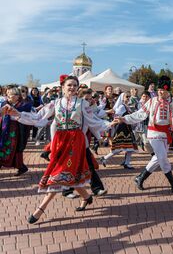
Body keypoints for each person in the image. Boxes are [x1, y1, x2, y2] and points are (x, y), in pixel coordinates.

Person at [4, 75, 112, 224]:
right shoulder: (55, 103)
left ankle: (40, 208)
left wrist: (109, 124)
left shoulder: (82, 104)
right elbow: (38, 118)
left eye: (75, 85)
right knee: (69, 175)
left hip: (75, 142)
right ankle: (87, 198)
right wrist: (16, 114)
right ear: (63, 87)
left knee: (60, 174)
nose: (72, 88)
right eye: (69, 85)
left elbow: (94, 121)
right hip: (60, 142)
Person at [115, 76, 173, 193]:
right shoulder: (152, 101)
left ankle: (140, 177)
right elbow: (140, 114)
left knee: (158, 158)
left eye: (163, 90)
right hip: (154, 132)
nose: (160, 92)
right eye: (159, 89)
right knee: (163, 158)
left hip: (166, 133)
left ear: (167, 90)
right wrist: (124, 119)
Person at [100, 93, 138, 169]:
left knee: (130, 147)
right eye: (127, 96)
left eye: (129, 97)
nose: (128, 98)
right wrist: (120, 120)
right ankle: (105, 158)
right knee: (120, 148)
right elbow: (116, 116)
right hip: (122, 129)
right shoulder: (121, 107)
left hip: (127, 128)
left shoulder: (127, 107)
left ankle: (126, 163)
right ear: (122, 98)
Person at [0, 86, 32, 176]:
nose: (10, 96)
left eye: (13, 94)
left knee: (14, 149)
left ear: (18, 96)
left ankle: (21, 167)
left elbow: (27, 116)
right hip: (4, 129)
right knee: (2, 147)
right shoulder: (4, 103)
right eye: (8, 94)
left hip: (17, 131)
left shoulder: (24, 105)